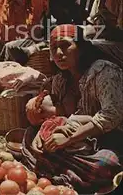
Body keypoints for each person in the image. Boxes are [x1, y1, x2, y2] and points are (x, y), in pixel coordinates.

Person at [23, 24, 123, 193]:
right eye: (54, 48)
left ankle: (57, 169)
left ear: (81, 47)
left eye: (65, 45)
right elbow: (59, 115)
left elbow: (111, 115)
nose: (59, 54)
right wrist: (41, 122)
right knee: (30, 137)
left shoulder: (103, 71)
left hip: (110, 137)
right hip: (78, 139)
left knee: (104, 165)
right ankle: (63, 168)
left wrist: (69, 139)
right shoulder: (61, 81)